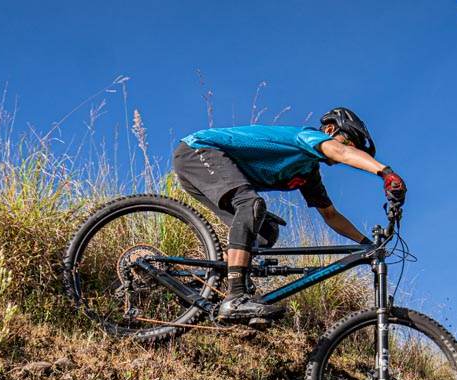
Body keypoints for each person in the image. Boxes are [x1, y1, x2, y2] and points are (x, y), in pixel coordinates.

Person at [173, 107, 406, 323]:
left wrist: (366, 245)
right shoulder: (307, 137)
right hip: (198, 151)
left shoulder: (307, 172)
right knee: (251, 204)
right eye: (351, 143)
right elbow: (340, 151)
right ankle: (235, 297)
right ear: (330, 131)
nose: (351, 150)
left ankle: (201, 285)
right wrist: (387, 174)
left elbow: (331, 215)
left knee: (265, 232)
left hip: (205, 168)